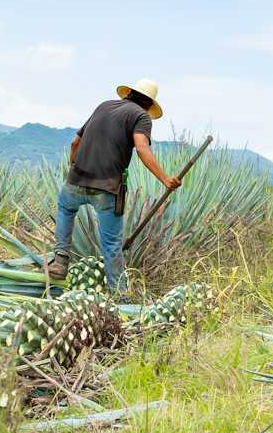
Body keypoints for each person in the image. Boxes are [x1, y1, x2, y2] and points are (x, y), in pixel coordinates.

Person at [49, 79, 180, 290]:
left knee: (65, 209)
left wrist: (74, 165)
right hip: (106, 187)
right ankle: (120, 296)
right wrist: (165, 178)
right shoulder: (141, 116)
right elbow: (142, 148)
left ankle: (60, 260)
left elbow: (75, 142)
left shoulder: (104, 106)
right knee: (111, 245)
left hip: (75, 180)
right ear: (149, 104)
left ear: (129, 93)